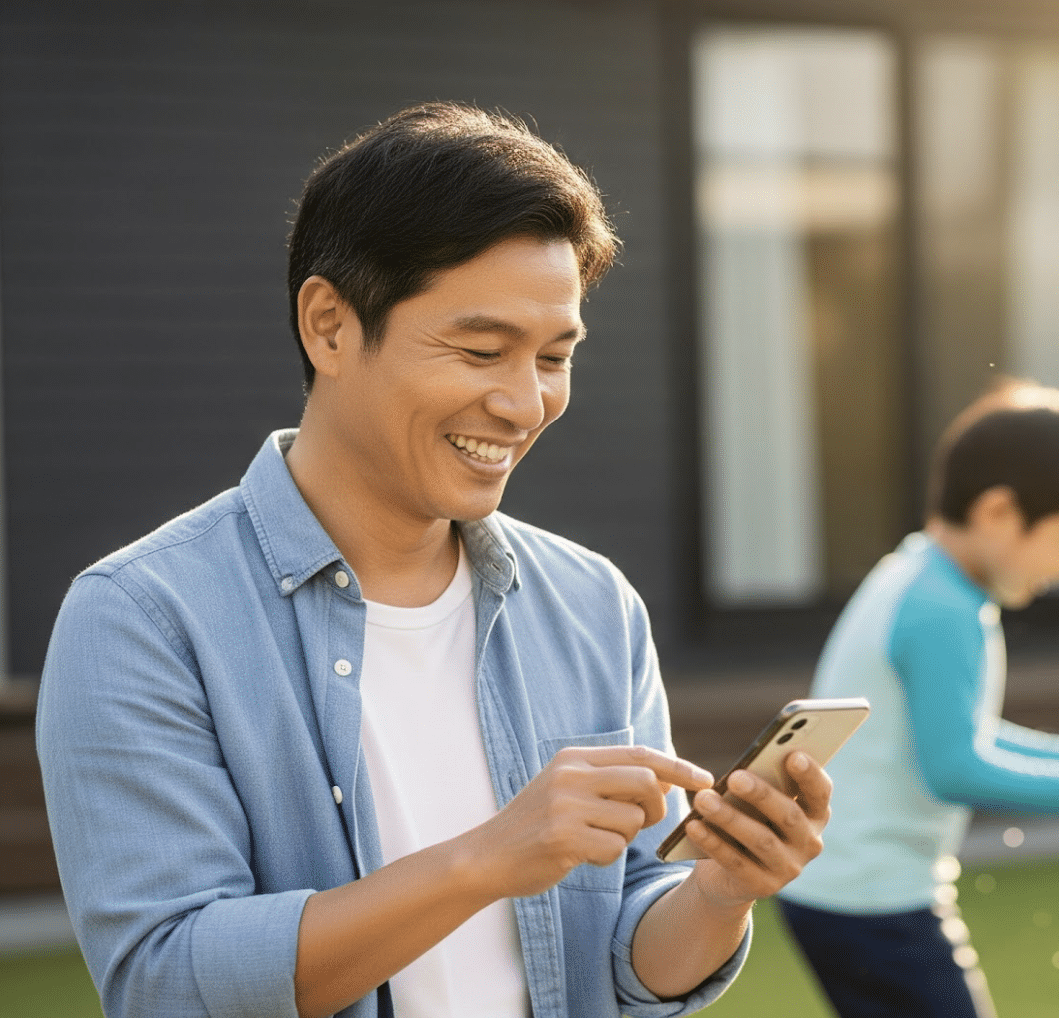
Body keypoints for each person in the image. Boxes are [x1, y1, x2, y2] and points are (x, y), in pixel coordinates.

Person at [35, 102, 832, 1018]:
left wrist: (721, 894)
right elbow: (167, 982)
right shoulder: (141, 619)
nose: (525, 403)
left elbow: (624, 952)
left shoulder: (592, 603)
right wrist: (486, 859)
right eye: (482, 350)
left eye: (555, 357)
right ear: (329, 326)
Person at [775, 381, 1059, 1018]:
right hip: (871, 899)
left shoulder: (925, 579)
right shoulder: (943, 610)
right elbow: (957, 768)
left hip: (847, 890)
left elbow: (963, 732)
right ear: (999, 514)